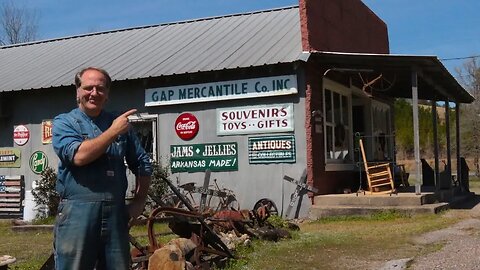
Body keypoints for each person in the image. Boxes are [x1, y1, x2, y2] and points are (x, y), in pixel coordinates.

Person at [52, 67, 152, 269]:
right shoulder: (65, 122)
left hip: (116, 213)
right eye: (88, 88)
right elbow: (79, 156)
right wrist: (113, 131)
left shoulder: (120, 124)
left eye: (100, 88)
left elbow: (142, 162)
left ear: (107, 94)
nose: (94, 93)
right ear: (78, 92)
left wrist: (140, 200)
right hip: (76, 214)